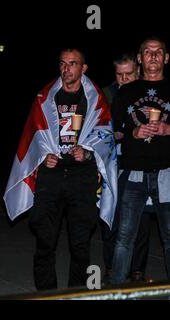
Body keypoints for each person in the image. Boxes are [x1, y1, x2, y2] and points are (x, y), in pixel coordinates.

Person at [4, 48, 117, 291]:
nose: (67, 69)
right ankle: (46, 293)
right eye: (63, 64)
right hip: (51, 175)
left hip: (82, 175)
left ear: (83, 68)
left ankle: (76, 293)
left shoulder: (95, 98)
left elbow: (105, 134)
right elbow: (32, 135)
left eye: (73, 63)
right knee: (45, 240)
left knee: (80, 244)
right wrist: (44, 155)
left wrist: (87, 152)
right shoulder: (45, 97)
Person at [110, 37, 170, 284]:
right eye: (148, 52)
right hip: (134, 174)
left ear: (166, 58)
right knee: (124, 238)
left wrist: (168, 129)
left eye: (158, 52)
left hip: (167, 174)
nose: (153, 56)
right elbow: (113, 132)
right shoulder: (125, 92)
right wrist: (133, 133)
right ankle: (116, 290)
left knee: (169, 238)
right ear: (140, 58)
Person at [102, 53, 151, 283]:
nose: (123, 80)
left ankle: (137, 270)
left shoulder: (149, 92)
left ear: (138, 72)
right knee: (111, 213)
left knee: (140, 218)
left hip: (141, 163)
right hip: (113, 164)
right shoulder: (107, 94)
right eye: (119, 75)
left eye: (129, 74)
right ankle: (111, 266)